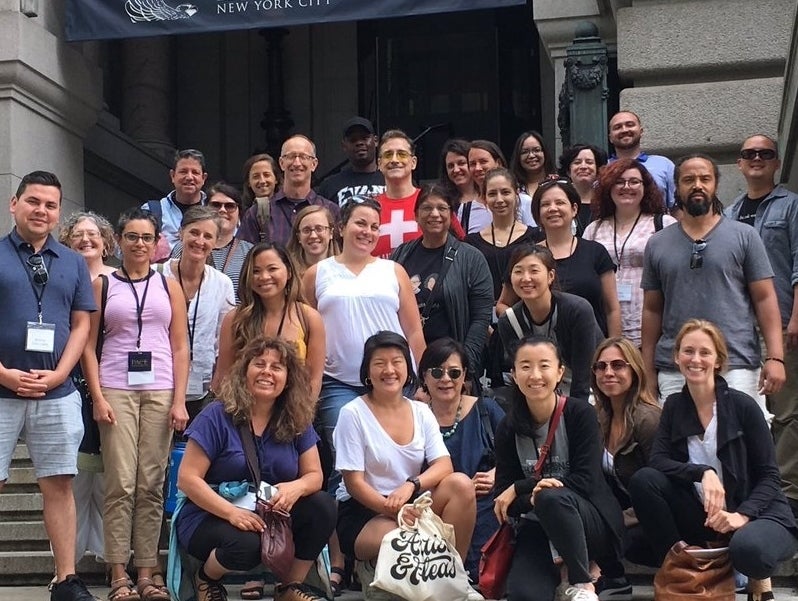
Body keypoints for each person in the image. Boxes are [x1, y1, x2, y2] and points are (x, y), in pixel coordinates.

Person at [629, 320, 798, 601]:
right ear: (676, 357)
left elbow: (770, 477)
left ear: (718, 360)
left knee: (750, 550)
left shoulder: (743, 406)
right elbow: (657, 462)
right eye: (688, 351)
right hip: (706, 519)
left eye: (705, 352)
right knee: (644, 485)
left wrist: (740, 516)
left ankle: (750, 573)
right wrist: (702, 472)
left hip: (758, 514)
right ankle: (684, 572)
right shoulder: (673, 406)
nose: (695, 359)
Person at [81, 207, 189, 601]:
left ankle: (147, 570)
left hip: (160, 389)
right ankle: (117, 573)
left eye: (146, 237)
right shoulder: (103, 285)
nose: (139, 244)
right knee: (121, 483)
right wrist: (96, 396)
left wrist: (180, 400)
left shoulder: (168, 284)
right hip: (115, 388)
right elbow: (89, 347)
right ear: (119, 242)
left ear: (157, 242)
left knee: (152, 483)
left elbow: (180, 344)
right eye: (132, 237)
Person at [176, 337, 336, 601]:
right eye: (259, 364)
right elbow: (187, 479)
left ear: (288, 378)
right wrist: (230, 513)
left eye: (277, 367)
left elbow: (315, 476)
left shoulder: (297, 417)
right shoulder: (216, 414)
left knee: (323, 506)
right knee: (248, 544)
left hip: (269, 512)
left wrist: (295, 488)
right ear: (244, 371)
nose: (267, 372)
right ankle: (207, 578)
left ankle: (289, 587)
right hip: (211, 512)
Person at [0, 171, 96, 601]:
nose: (42, 211)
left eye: (51, 205)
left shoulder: (73, 262)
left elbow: (81, 324)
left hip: (56, 390)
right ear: (13, 204)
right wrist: (2, 372)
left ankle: (66, 580)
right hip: (2, 386)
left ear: (59, 213)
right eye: (33, 201)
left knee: (58, 482)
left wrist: (61, 373)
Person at [333, 331, 482, 600]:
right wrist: (393, 509)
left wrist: (411, 485)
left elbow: (443, 465)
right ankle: (371, 568)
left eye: (397, 362)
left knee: (460, 484)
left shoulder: (421, 411)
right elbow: (354, 484)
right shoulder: (352, 414)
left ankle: (453, 578)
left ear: (408, 368)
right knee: (412, 542)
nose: (389, 370)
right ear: (367, 371)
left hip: (413, 503)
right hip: (366, 512)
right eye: (379, 363)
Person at [641, 153, 785, 414]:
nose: (697, 185)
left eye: (705, 178)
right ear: (678, 186)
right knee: (679, 450)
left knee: (742, 450)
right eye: (688, 179)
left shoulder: (745, 236)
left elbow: (765, 298)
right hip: (676, 368)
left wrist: (775, 357)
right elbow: (652, 309)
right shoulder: (657, 243)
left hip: (737, 364)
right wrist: (648, 370)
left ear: (715, 185)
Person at [493, 336, 624, 601]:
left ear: (560, 372)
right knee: (524, 595)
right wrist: (530, 498)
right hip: (539, 527)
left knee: (550, 497)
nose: (536, 375)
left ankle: (581, 583)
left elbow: (586, 480)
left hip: (589, 522)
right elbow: (506, 500)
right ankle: (562, 573)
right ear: (514, 375)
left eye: (544, 365)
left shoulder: (580, 414)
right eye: (526, 366)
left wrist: (524, 488)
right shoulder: (508, 427)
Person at [725, 134, 798, 516]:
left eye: (764, 154)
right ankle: (757, 486)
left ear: (775, 162)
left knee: (786, 411)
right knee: (752, 410)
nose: (756, 159)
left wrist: (795, 319)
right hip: (740, 329)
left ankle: (787, 495)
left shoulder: (792, 206)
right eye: (749, 154)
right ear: (739, 164)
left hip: (782, 323)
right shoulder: (732, 212)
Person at [58, 211, 118, 579]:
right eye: (77, 234)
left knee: (111, 477)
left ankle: (111, 556)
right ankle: (66, 562)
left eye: (93, 234)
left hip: (112, 379)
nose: (85, 239)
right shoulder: (61, 277)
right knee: (74, 476)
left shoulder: (119, 279)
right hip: (69, 378)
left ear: (107, 242)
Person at [419, 338, 504, 582]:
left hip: (487, 506)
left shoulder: (486, 409)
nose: (446, 379)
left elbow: (519, 456)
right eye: (437, 372)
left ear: (464, 376)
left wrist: (496, 473)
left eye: (454, 372)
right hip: (432, 510)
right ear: (424, 376)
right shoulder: (414, 415)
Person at [391, 183, 493, 381]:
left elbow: (480, 318)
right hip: (407, 363)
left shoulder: (471, 258)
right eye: (427, 208)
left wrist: (465, 365)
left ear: (451, 214)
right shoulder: (401, 255)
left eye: (442, 208)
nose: (434, 214)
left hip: (452, 365)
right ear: (416, 215)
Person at [591, 337, 661, 591]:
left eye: (618, 365)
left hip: (652, 523)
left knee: (604, 533)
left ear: (635, 370)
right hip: (621, 516)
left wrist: (615, 520)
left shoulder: (649, 419)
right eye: (601, 366)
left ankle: (604, 576)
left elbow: (662, 489)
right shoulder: (599, 417)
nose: (608, 372)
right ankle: (612, 579)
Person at [213, 243, 325, 401]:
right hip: (242, 409)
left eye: (272, 269)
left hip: (291, 411)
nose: (264, 277)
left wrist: (299, 417)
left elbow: (313, 379)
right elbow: (223, 375)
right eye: (256, 271)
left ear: (289, 272)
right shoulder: (235, 319)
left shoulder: (309, 318)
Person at [583, 159, 675, 346]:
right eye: (619, 182)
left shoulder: (664, 224)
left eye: (634, 182)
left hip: (653, 326)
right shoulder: (594, 229)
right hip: (606, 325)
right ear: (609, 187)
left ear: (645, 186)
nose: (627, 187)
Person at [496, 245, 603, 400]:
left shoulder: (578, 311)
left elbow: (583, 378)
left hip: (590, 391)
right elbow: (521, 377)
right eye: (518, 271)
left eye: (534, 271)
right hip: (540, 394)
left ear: (550, 276)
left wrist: (577, 416)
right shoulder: (508, 321)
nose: (526, 278)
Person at [161, 207, 236, 416]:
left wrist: (217, 384)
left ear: (216, 241)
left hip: (204, 388)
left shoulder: (222, 284)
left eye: (208, 236)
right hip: (160, 382)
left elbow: (224, 339)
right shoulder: (157, 276)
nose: (200, 241)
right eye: (194, 232)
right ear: (181, 232)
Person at [532, 176, 621, 337]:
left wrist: (614, 351)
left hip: (592, 347)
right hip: (542, 352)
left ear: (574, 209)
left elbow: (612, 309)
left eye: (560, 203)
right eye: (545, 204)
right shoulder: (529, 255)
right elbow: (504, 304)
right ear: (538, 214)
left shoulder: (595, 252)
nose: (552, 209)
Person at [237, 136, 340, 247]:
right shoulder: (258, 213)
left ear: (314, 164)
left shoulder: (332, 212)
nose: (296, 163)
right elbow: (242, 258)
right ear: (281, 163)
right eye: (291, 156)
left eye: (303, 157)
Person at [465, 168, 543, 301]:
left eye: (505, 192)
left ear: (516, 193)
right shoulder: (471, 243)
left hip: (525, 314)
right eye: (492, 194)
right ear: (484, 198)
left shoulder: (535, 237)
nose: (499, 199)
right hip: (484, 316)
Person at [173, 182, 254, 300]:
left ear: (239, 215)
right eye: (216, 205)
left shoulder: (249, 252)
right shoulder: (184, 246)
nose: (222, 210)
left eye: (230, 206)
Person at [143, 149, 208, 251]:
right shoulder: (151, 210)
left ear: (203, 178)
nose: (189, 177)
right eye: (183, 171)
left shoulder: (216, 210)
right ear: (173, 176)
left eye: (195, 172)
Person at [372, 129, 424, 258]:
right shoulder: (369, 208)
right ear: (379, 164)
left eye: (401, 154)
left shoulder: (431, 201)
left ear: (413, 162)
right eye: (388, 155)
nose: (394, 160)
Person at [608, 111, 675, 211]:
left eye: (630, 125)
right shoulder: (602, 167)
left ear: (641, 131)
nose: (624, 130)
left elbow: (677, 208)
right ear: (610, 138)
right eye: (618, 127)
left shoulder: (664, 165)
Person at [316, 117, 385, 206]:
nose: (359, 143)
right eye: (353, 140)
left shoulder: (393, 180)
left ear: (375, 141)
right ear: (344, 145)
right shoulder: (330, 185)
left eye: (364, 138)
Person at [468, 140, 536, 228]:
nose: (478, 168)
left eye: (483, 161)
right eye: (472, 164)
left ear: (498, 163)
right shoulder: (466, 209)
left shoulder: (523, 202)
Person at [558, 144, 608, 236]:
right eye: (577, 162)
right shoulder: (560, 200)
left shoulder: (607, 201)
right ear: (568, 171)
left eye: (589, 162)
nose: (583, 166)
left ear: (598, 170)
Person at [286, 205, 340, 280]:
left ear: (331, 233)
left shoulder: (345, 269)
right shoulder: (288, 272)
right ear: (299, 237)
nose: (313, 236)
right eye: (306, 230)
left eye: (319, 229)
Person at [440, 139, 480, 233]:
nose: (456, 170)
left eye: (461, 163)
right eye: (450, 166)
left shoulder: (489, 196)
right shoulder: (443, 200)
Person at [509, 131, 555, 199]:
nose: (531, 155)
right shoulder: (512, 186)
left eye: (536, 150)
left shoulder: (557, 183)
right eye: (525, 152)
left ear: (545, 153)